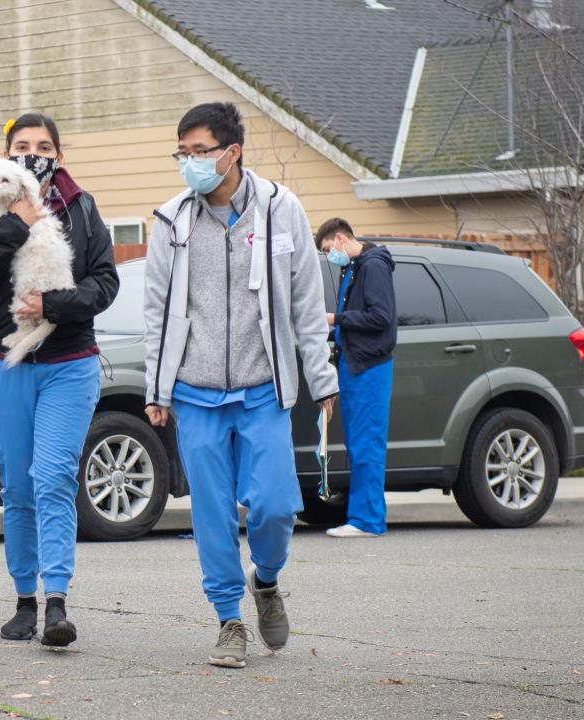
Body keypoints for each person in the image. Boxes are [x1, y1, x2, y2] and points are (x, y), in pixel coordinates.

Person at [142, 102, 338, 668]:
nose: (190, 163)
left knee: (276, 507)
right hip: (195, 391)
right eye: (183, 153)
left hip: (262, 388)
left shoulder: (282, 210)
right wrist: (158, 388)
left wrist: (321, 379)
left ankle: (267, 581)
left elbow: (305, 301)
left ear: (232, 152)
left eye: (199, 151)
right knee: (213, 516)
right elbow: (157, 309)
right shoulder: (172, 219)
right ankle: (229, 619)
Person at [0, 112, 118, 647]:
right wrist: (13, 225)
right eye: (21, 145)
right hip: (2, 360)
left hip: (68, 362)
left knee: (52, 479)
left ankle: (57, 602)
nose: (32, 152)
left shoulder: (81, 208)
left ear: (58, 155)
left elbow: (105, 283)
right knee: (19, 486)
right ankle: (24, 597)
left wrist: (53, 303)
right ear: (5, 155)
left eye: (43, 145)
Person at [317, 217, 397, 538]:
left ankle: (367, 521)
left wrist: (335, 319)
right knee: (357, 444)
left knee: (367, 444)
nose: (328, 256)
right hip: (354, 364)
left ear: (340, 239)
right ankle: (361, 516)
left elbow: (381, 316)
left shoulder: (373, 266)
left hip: (369, 367)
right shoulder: (352, 267)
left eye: (327, 249)